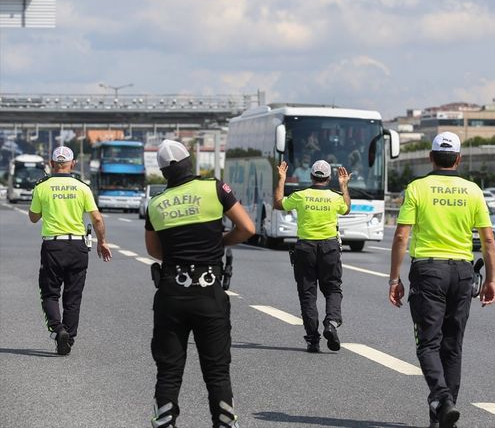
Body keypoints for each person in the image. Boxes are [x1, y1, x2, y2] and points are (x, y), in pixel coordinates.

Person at [388, 132, 495, 428]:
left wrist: (394, 278)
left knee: (428, 343)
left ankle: (441, 399)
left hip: (429, 271)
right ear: (459, 159)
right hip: (463, 272)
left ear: (431, 157)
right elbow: (488, 239)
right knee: (453, 346)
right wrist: (491, 279)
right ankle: (442, 415)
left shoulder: (417, 188)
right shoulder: (473, 190)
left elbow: (401, 235)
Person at [145, 140, 255, 428]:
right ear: (189, 162)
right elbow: (248, 228)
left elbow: (155, 251)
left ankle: (165, 423)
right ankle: (224, 424)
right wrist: (220, 242)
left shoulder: (155, 204)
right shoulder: (215, 189)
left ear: (163, 173)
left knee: (169, 371)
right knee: (217, 370)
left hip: (171, 292)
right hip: (209, 290)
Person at [28, 146, 112, 356]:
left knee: (50, 293)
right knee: (73, 297)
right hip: (78, 246)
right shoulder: (82, 187)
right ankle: (69, 337)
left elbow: (33, 217)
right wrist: (102, 242)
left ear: (51, 163)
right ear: (73, 164)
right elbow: (97, 218)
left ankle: (58, 331)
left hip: (53, 246)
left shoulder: (42, 187)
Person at [273, 159, 350, 353]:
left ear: (311, 176)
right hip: (330, 248)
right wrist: (344, 186)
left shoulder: (300, 195)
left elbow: (278, 204)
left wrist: (281, 179)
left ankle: (313, 340)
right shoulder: (335, 197)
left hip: (305, 248)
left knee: (308, 295)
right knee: (333, 288)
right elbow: (347, 208)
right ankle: (331, 322)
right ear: (328, 177)